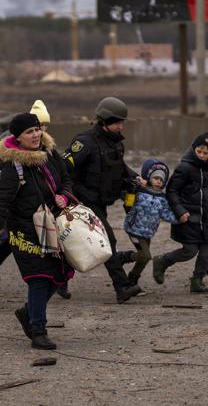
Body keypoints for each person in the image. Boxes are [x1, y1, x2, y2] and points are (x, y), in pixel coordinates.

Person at [0, 113, 73, 350]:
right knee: (39, 278)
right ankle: (38, 330)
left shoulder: (49, 153)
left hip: (52, 226)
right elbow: (2, 202)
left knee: (62, 272)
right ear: (18, 137)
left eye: (37, 130)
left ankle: (28, 312)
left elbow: (66, 179)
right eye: (29, 132)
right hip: (24, 230)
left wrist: (63, 195)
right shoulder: (13, 166)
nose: (35, 135)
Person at [62, 97, 144, 303]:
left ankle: (58, 280)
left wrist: (134, 177)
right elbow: (64, 167)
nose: (120, 126)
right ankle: (122, 286)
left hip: (100, 201)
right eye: (117, 122)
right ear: (105, 120)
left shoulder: (115, 143)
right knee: (107, 240)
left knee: (78, 243)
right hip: (83, 202)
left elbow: (120, 167)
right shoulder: (85, 142)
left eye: (121, 122)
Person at [152, 133, 208, 293]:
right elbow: (172, 191)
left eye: (206, 153)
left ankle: (197, 282)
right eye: (199, 151)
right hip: (188, 217)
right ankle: (162, 261)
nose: (202, 155)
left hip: (205, 218)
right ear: (193, 150)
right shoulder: (184, 168)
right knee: (190, 250)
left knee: (207, 252)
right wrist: (180, 211)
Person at [122, 158, 178, 290]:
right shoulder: (139, 190)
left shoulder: (162, 198)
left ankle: (132, 281)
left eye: (161, 180)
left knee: (144, 259)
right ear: (148, 177)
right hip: (134, 229)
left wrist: (179, 218)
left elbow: (165, 213)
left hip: (147, 233)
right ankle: (123, 257)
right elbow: (127, 203)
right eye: (155, 178)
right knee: (145, 256)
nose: (158, 182)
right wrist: (132, 190)